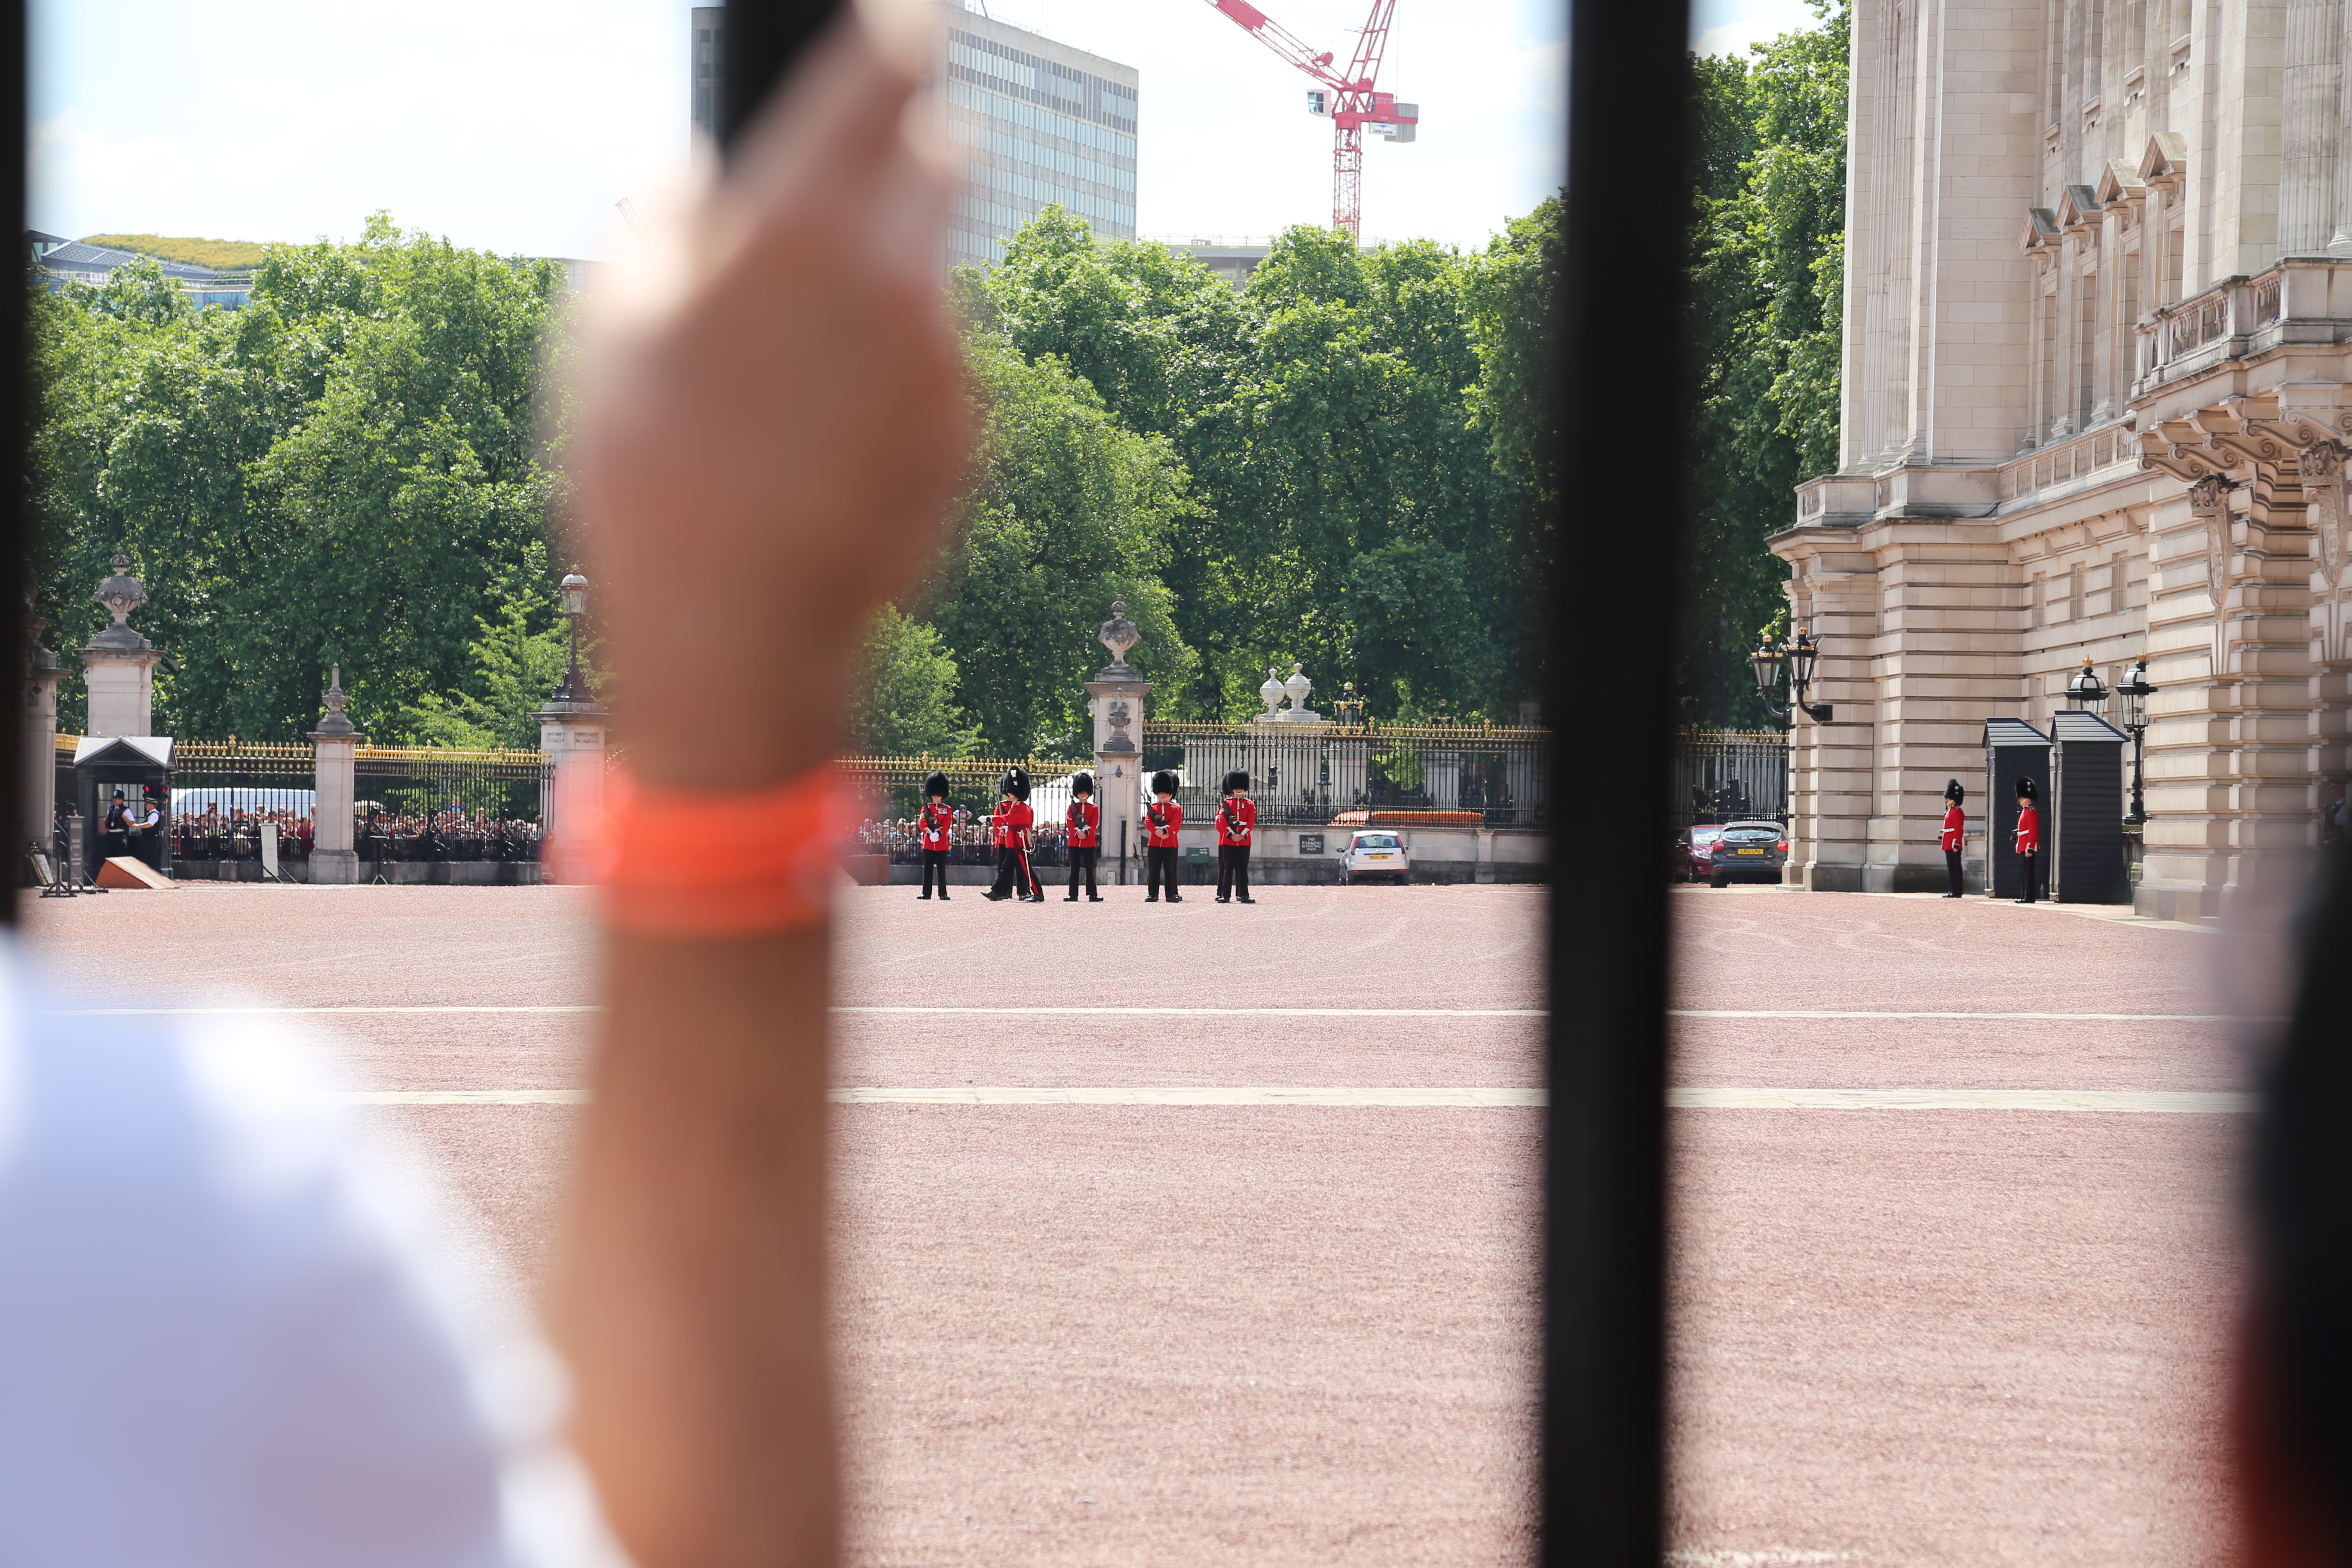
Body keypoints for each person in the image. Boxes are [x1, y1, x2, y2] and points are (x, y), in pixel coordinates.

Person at [984, 768, 1040, 902]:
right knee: (1005, 868)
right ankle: (995, 892)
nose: (1009, 794)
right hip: (1013, 841)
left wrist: (988, 819)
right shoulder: (1019, 805)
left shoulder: (1020, 807)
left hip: (1018, 842)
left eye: (1011, 792)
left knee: (1026, 870)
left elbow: (1005, 818)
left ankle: (1038, 893)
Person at [1215, 769, 1257, 904]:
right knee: (1228, 869)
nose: (1239, 789)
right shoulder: (1226, 804)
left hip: (1244, 841)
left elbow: (1251, 822)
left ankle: (1244, 895)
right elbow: (1222, 820)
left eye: (1241, 787)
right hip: (1230, 840)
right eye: (1236, 787)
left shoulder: (1250, 804)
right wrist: (1232, 834)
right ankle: (1225, 895)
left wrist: (1243, 834)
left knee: (1243, 869)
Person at [1144, 770, 1184, 903]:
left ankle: (1171, 895)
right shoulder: (1153, 808)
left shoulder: (1175, 808)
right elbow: (1148, 821)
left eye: (1164, 791)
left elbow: (1174, 823)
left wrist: (1164, 832)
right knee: (1153, 870)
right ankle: (1153, 894)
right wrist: (1157, 831)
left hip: (1169, 843)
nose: (1162, 794)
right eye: (1160, 792)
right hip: (1154, 842)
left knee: (1169, 871)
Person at [1063, 772, 1102, 902]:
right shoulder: (1072, 807)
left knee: (1090, 870)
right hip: (1074, 843)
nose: (1083, 794)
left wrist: (1085, 833)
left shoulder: (1094, 808)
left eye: (1086, 792)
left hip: (1089, 843)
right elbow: (1070, 821)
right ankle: (1073, 894)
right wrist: (1077, 832)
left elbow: (1094, 823)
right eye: (1081, 792)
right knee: (1074, 869)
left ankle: (1093, 894)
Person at [916, 773, 953, 900]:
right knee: (928, 869)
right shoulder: (926, 808)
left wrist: (939, 833)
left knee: (941, 871)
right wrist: (930, 832)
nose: (936, 795)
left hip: (942, 843)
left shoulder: (947, 809)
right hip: (929, 842)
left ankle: (943, 893)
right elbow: (922, 822)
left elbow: (947, 823)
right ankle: (927, 893)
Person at [2013, 776, 2041, 904]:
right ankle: (2025, 895)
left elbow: (2034, 831)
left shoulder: (2031, 811)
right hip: (2023, 845)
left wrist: (2030, 847)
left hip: (2028, 846)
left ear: (2028, 798)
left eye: (2021, 797)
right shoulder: (2025, 811)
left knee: (2029, 873)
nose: (2019, 800)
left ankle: (2029, 897)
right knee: (2024, 873)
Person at [1940, 779, 1966, 899]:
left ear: (1954, 798)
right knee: (1952, 868)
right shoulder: (1950, 811)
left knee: (1955, 868)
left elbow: (1959, 829)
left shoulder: (1957, 811)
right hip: (1948, 843)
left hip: (1953, 844)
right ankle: (1953, 890)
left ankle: (1957, 891)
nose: (1946, 800)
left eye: (1948, 798)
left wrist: (1956, 844)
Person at [101, 789, 130, 864]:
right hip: (111, 834)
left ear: (122, 800)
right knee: (110, 855)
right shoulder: (110, 810)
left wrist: (124, 818)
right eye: (114, 799)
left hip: (120, 835)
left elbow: (132, 823)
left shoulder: (126, 810)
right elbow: (106, 821)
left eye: (116, 799)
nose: (114, 800)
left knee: (121, 856)